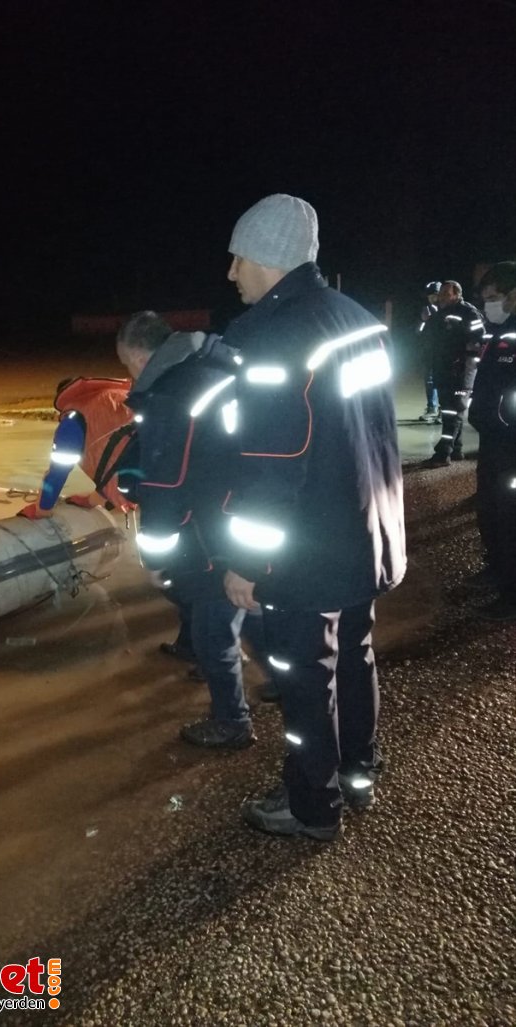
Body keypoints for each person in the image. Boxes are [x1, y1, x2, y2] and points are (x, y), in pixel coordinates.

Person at [213, 194, 406, 839]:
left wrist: (246, 562)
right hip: (365, 531)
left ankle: (311, 806)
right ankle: (359, 775)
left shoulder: (275, 340)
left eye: (237, 257)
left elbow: (271, 468)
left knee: (305, 676)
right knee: (355, 656)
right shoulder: (358, 321)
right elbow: (374, 436)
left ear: (265, 257)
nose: (232, 272)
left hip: (309, 547)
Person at [116, 311, 266, 749]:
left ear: (139, 357)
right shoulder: (222, 363)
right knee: (253, 607)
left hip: (210, 533)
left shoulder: (170, 393)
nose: (129, 376)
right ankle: (286, 684)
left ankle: (232, 722)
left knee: (211, 629)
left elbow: (164, 486)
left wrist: (156, 560)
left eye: (126, 365)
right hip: (249, 516)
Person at [465, 262, 516, 622]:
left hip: (511, 447)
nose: (488, 306)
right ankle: (498, 571)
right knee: (491, 511)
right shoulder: (499, 332)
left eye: (495, 298)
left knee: (509, 516)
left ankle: (511, 596)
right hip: (495, 443)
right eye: (485, 299)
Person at [18, 376, 136, 519]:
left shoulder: (73, 418)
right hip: (160, 466)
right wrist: (91, 501)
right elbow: (117, 455)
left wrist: (42, 510)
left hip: (148, 481)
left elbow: (58, 471)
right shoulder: (118, 398)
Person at [423, 281, 485, 467]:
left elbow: (479, 339)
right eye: (440, 293)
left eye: (445, 293)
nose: (441, 296)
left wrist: (461, 356)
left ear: (457, 293)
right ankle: (456, 449)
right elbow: (429, 335)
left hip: (462, 370)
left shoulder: (469, 313)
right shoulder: (439, 313)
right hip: (443, 368)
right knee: (449, 409)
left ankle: (444, 453)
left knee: (454, 410)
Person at [418, 280, 442, 422]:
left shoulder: (448, 310)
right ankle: (432, 408)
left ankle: (443, 411)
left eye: (435, 295)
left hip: (444, 352)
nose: (432, 298)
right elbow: (420, 331)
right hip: (429, 351)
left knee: (443, 380)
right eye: (430, 296)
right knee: (429, 380)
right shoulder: (426, 309)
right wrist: (425, 320)